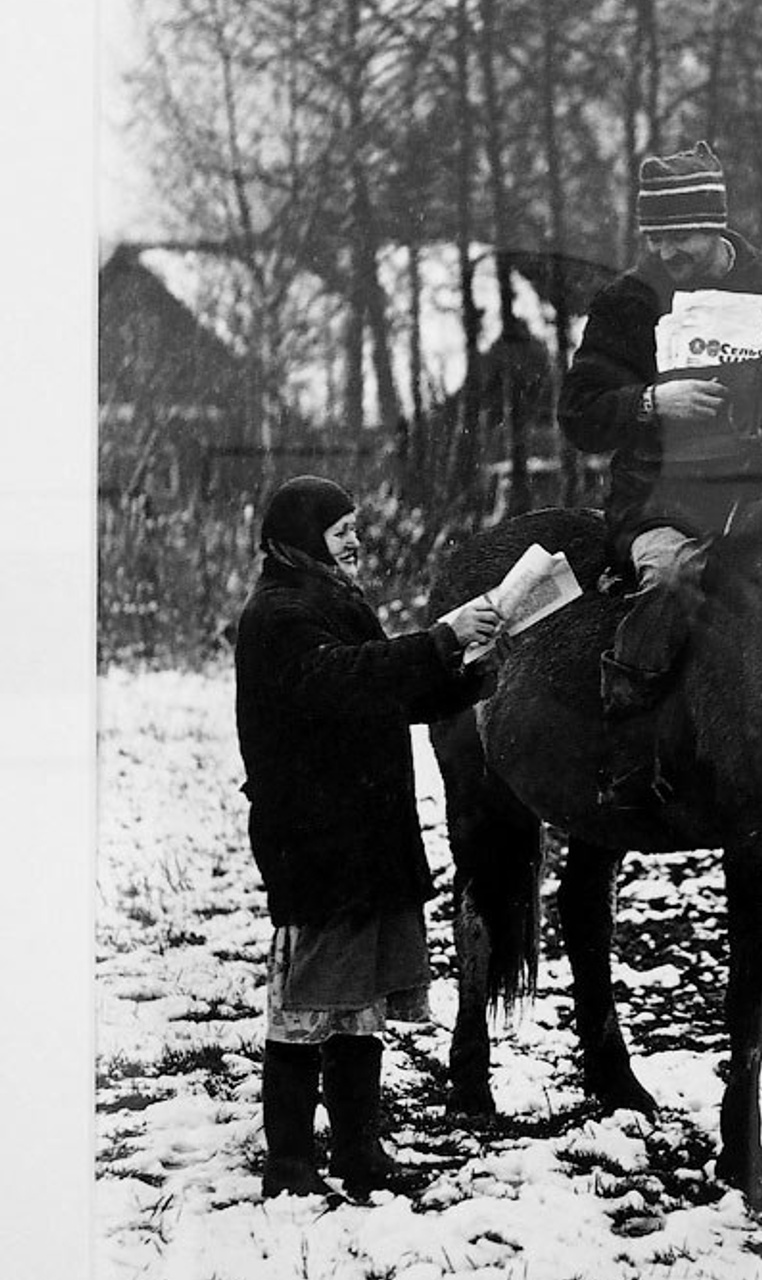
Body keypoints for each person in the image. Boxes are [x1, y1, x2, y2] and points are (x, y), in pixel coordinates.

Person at [234, 475, 503, 1200]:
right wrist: (440, 638)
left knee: (360, 1003)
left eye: (354, 525)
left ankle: (359, 1149)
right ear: (300, 537)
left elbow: (391, 690)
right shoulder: (280, 612)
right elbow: (344, 680)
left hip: (365, 834)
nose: (355, 538)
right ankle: (290, 1163)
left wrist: (473, 669)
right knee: (308, 1003)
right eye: (339, 527)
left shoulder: (333, 601)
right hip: (316, 839)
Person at [558, 140, 762, 800]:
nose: (665, 252)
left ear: (715, 224)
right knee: (665, 580)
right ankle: (629, 743)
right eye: (654, 236)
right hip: (661, 501)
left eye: (678, 236)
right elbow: (578, 416)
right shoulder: (625, 303)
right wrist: (650, 401)